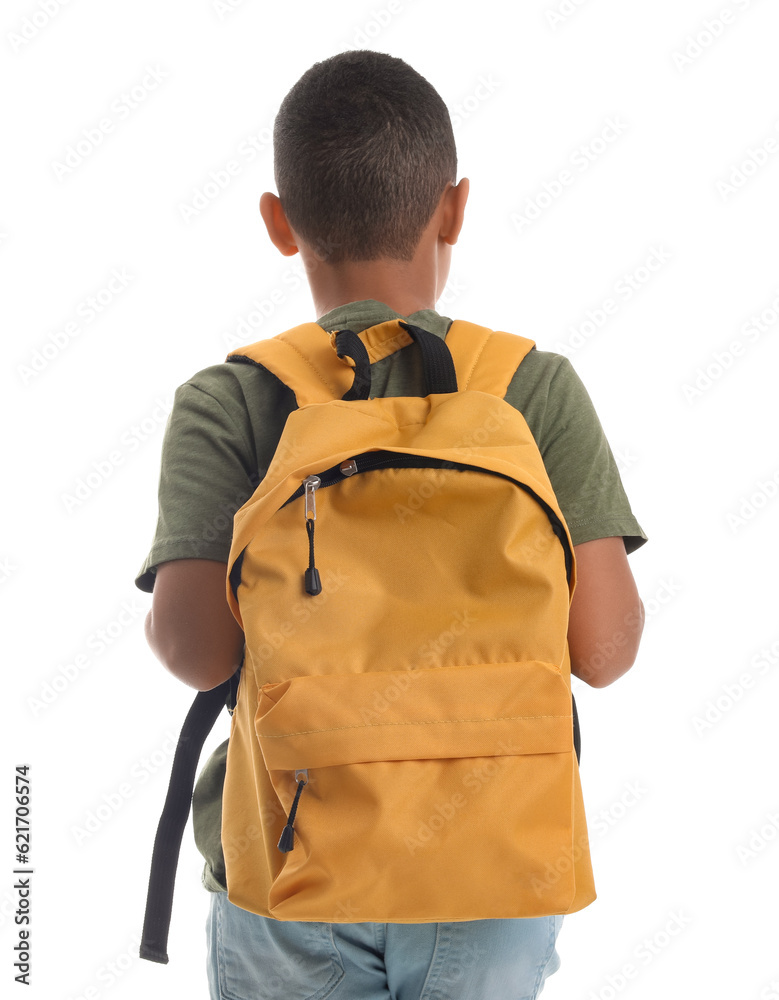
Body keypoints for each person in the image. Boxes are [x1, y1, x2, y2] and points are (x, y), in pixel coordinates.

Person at [136, 49, 647, 1000]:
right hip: (494, 865)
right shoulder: (532, 387)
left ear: (279, 224)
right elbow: (606, 651)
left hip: (289, 856)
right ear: (454, 208)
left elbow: (196, 651)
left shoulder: (230, 399)